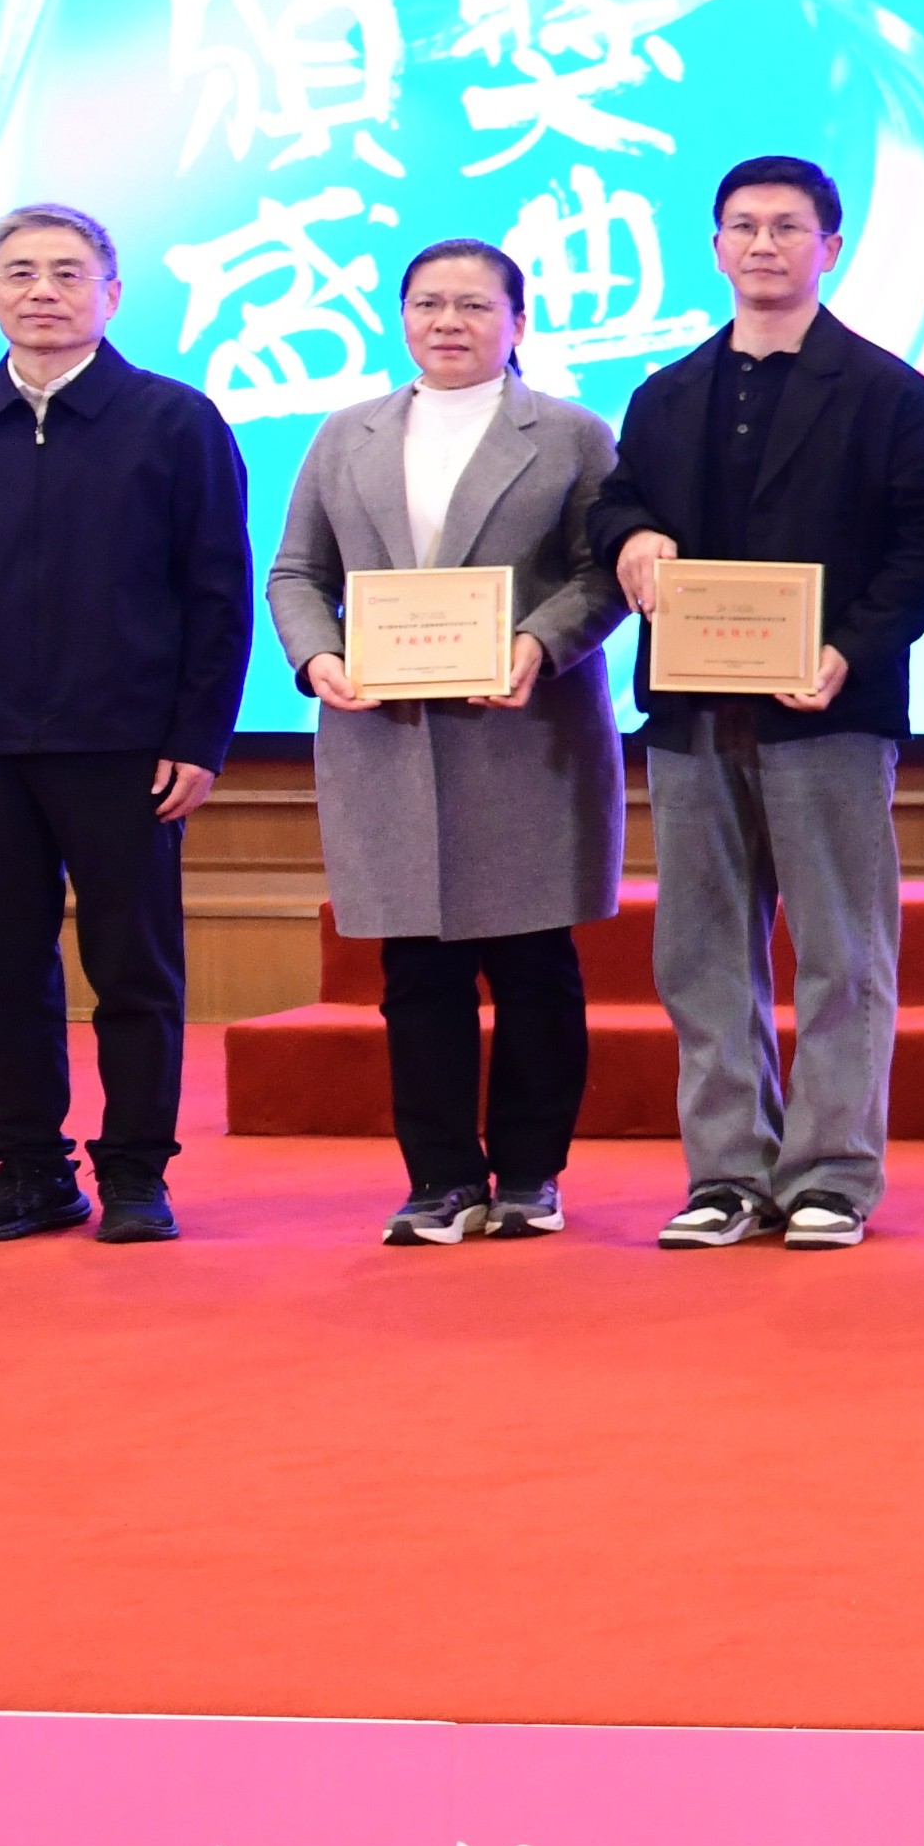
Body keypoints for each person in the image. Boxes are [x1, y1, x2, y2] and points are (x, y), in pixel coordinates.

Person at [593, 155, 924, 1253]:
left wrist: (848, 651)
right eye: (744, 226)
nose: (764, 244)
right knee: (701, 953)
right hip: (693, 716)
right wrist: (631, 537)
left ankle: (832, 1174)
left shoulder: (894, 392)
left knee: (844, 951)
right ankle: (726, 1174)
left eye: (788, 227)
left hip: (829, 710)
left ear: (829, 247)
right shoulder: (665, 393)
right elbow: (615, 503)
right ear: (715, 247)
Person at [0, 204, 251, 1246]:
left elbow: (217, 595)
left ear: (111, 294)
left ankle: (136, 1169)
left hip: (126, 746)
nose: (42, 290)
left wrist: (200, 738)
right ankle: (30, 1168)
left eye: (67, 272)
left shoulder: (176, 420)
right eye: (20, 272)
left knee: (134, 967)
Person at [268, 240, 622, 1244]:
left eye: (474, 305)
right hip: (385, 737)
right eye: (429, 304)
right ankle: (439, 1179)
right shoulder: (347, 433)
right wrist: (317, 658)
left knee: (534, 966)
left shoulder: (570, 434)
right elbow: (297, 573)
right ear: (402, 317)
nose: (449, 322)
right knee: (416, 974)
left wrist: (537, 643)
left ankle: (532, 1173)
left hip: (525, 733)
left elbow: (602, 575)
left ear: (519, 321)